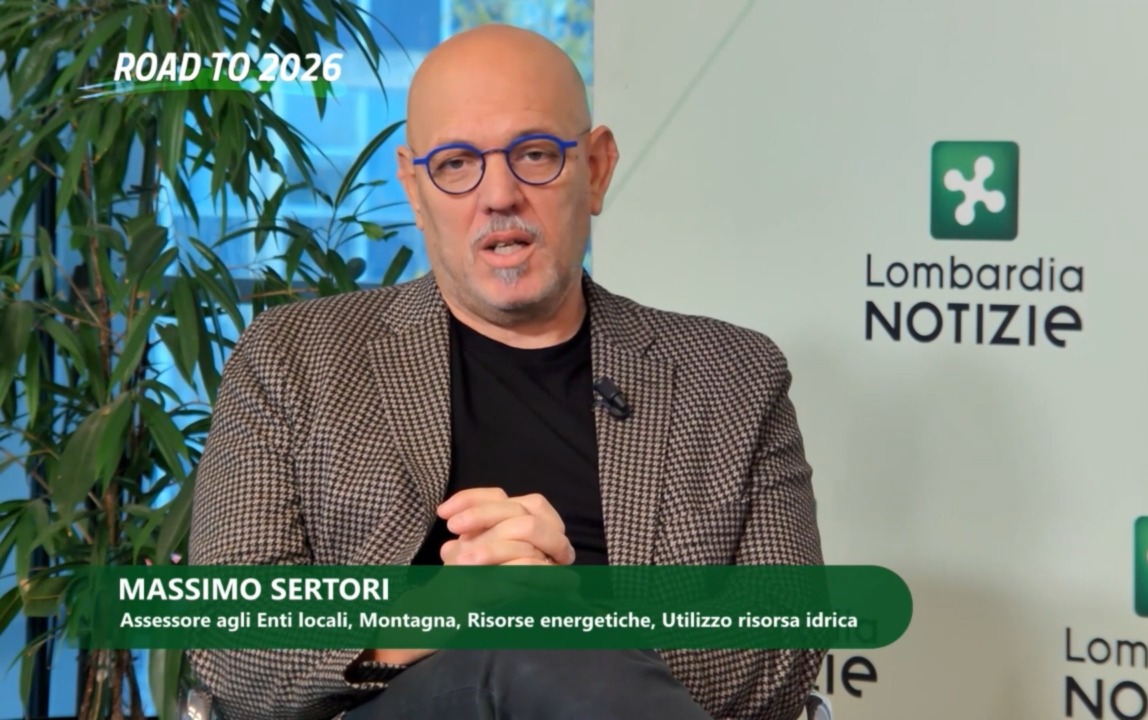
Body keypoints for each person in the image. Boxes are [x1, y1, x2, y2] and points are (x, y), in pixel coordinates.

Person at [187, 23, 825, 720]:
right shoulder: (292, 359)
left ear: (596, 169)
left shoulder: (733, 376)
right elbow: (230, 642)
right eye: (456, 163)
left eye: (535, 154)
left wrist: (572, 615)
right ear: (414, 188)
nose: (499, 195)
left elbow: (782, 652)